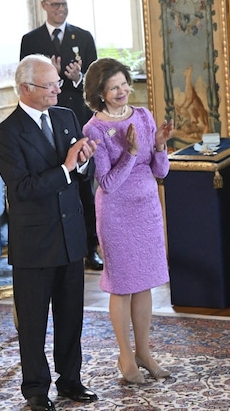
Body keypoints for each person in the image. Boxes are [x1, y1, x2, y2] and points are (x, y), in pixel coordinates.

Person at [0, 54, 99, 411]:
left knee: (71, 318)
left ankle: (71, 381)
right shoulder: (6, 133)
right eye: (49, 84)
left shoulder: (66, 116)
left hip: (70, 237)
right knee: (34, 323)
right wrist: (68, 168)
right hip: (35, 243)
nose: (58, 88)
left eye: (56, 81)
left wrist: (83, 162)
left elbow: (79, 170)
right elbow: (21, 189)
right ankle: (36, 389)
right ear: (26, 89)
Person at [82, 58, 174, 384]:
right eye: (113, 87)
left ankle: (144, 352)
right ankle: (126, 357)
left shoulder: (145, 116)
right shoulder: (94, 129)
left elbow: (160, 171)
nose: (122, 91)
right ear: (100, 93)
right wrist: (131, 152)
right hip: (117, 215)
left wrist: (160, 145)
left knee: (144, 282)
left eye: (124, 84)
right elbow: (107, 183)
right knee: (122, 288)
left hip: (147, 209)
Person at [20, 0, 102, 271]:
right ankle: (57, 245)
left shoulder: (84, 36)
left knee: (84, 186)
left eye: (64, 4)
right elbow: (26, 84)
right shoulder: (31, 40)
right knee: (52, 180)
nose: (61, 9)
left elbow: (95, 83)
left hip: (74, 120)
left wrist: (77, 78)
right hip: (42, 123)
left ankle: (90, 248)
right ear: (44, 6)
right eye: (55, 5)